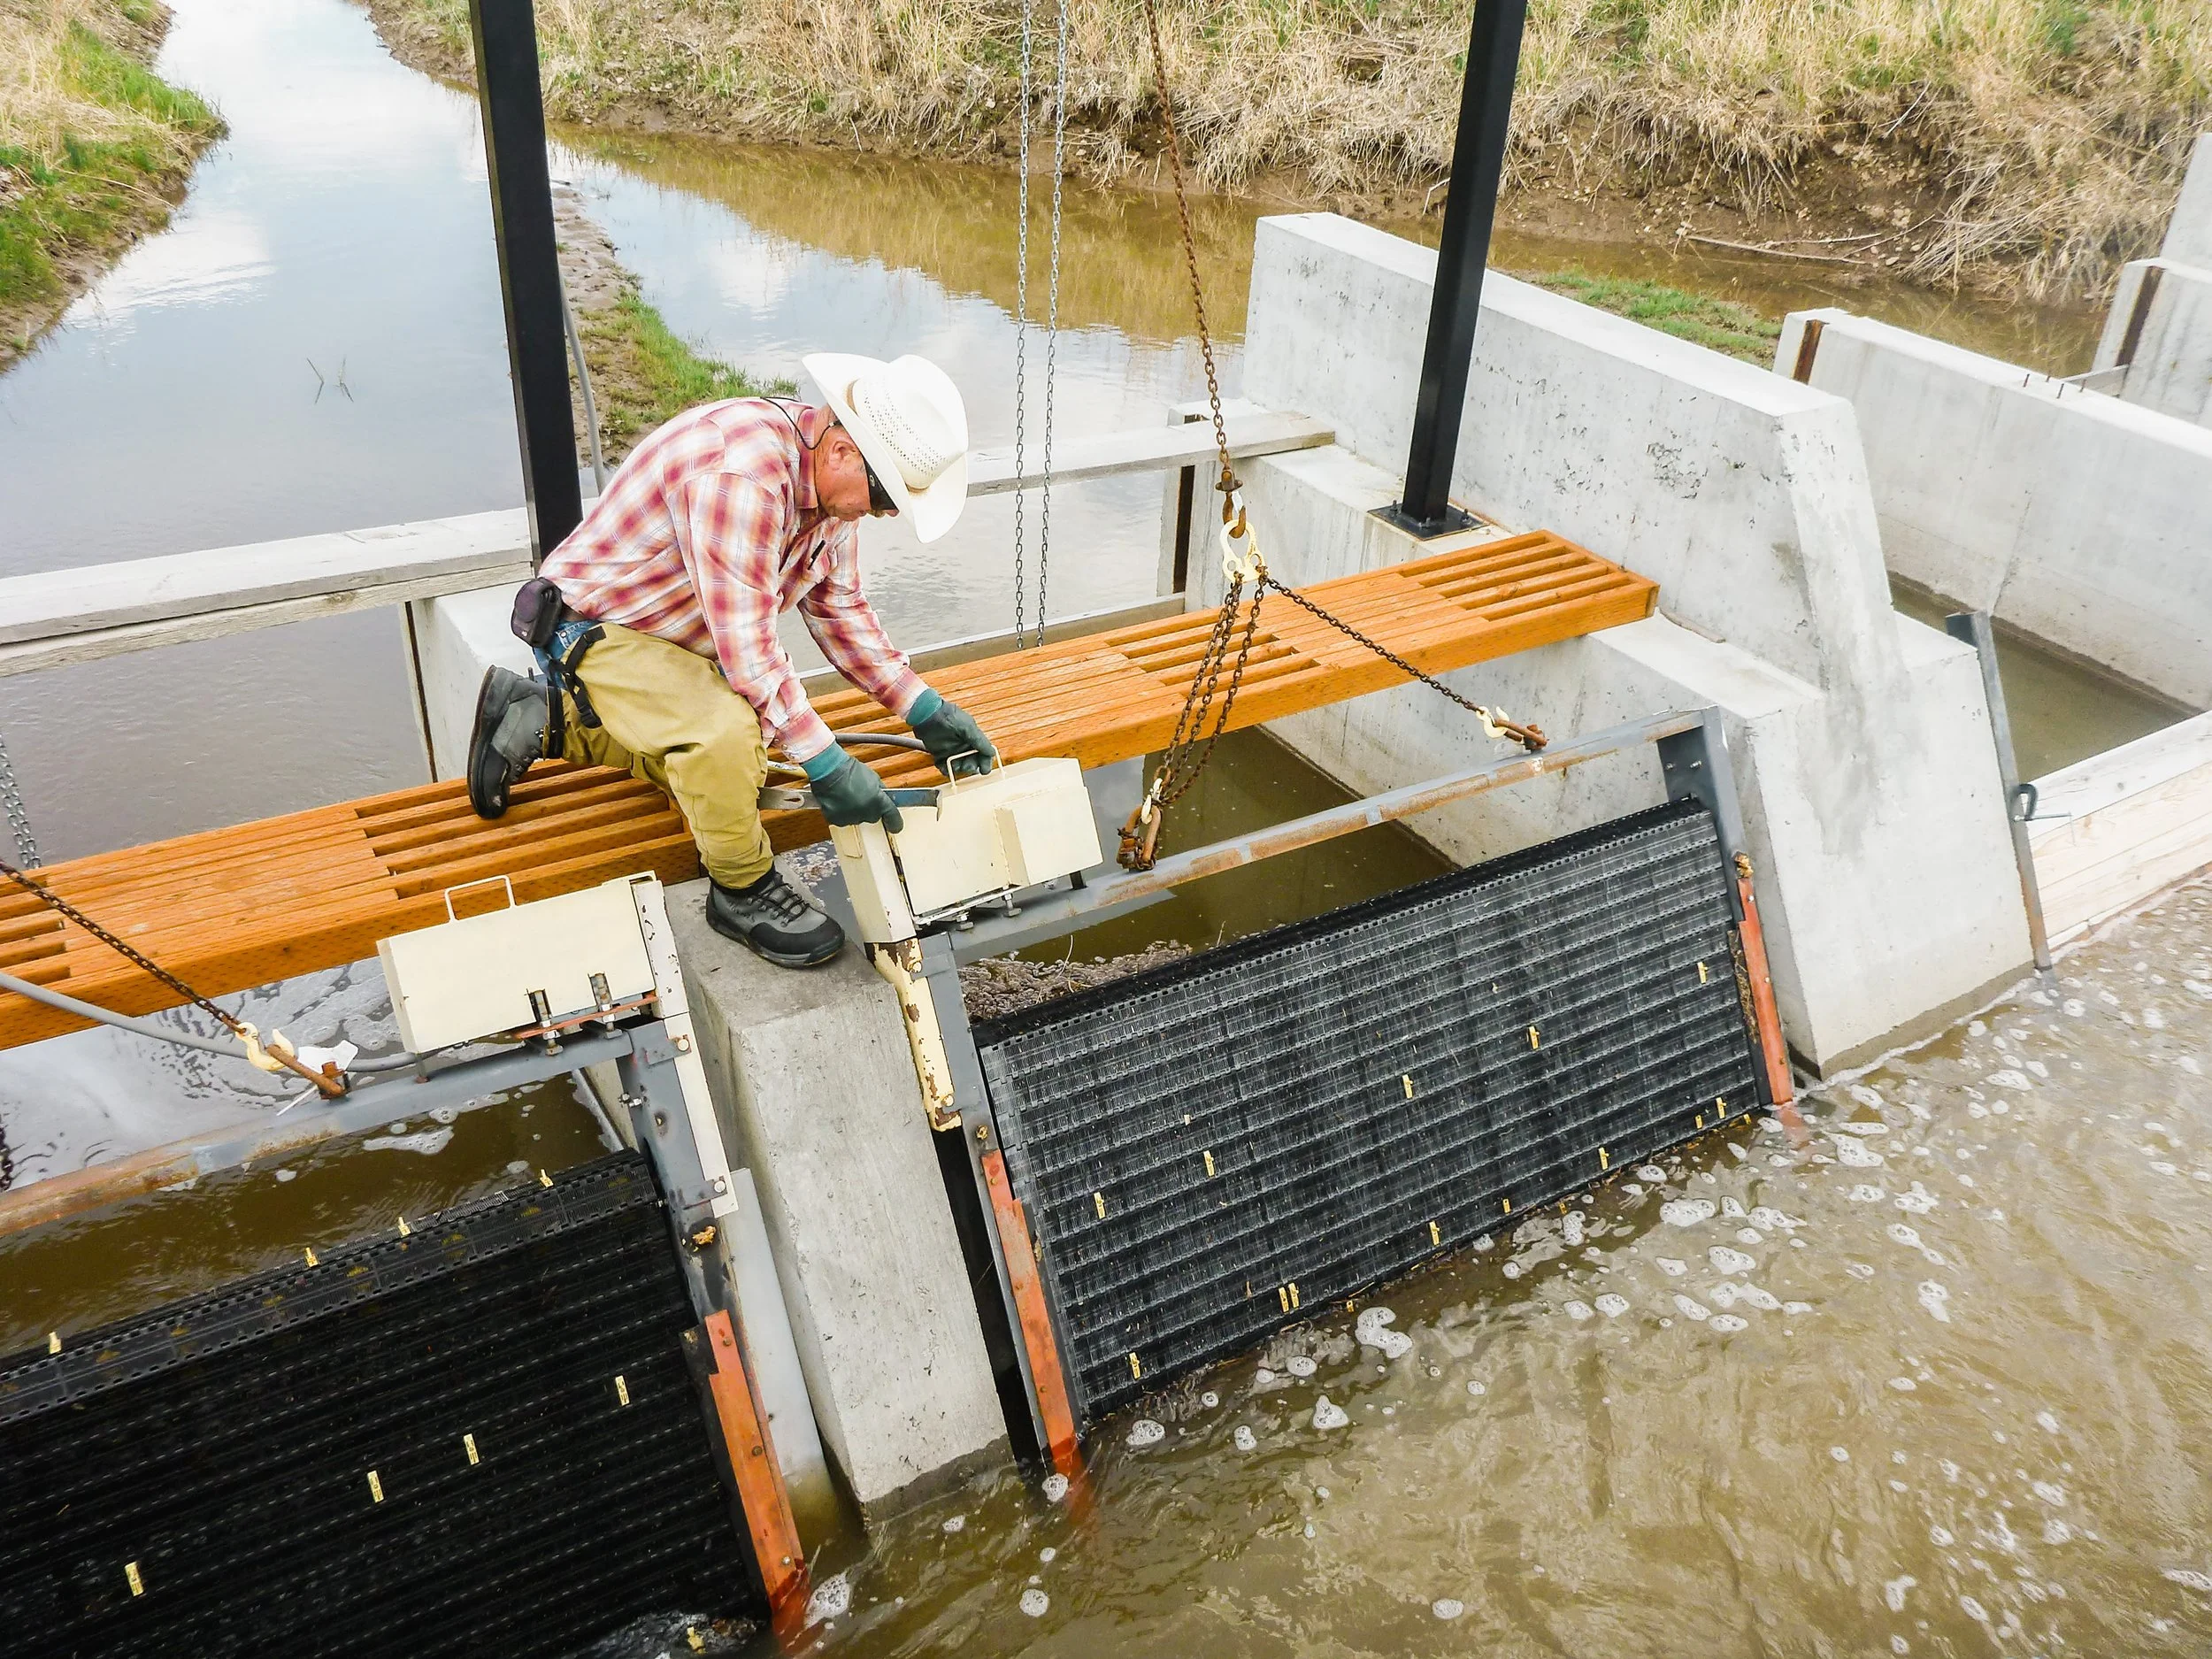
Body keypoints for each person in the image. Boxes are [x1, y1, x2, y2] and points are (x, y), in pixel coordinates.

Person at [464, 352, 998, 969]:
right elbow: (750, 653)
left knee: (749, 758)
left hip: (674, 645)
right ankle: (741, 890)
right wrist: (828, 764)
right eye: (884, 497)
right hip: (590, 632)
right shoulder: (740, 475)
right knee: (726, 740)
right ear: (844, 448)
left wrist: (921, 705)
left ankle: (544, 716)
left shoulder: (829, 500)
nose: (883, 514)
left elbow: (841, 610)